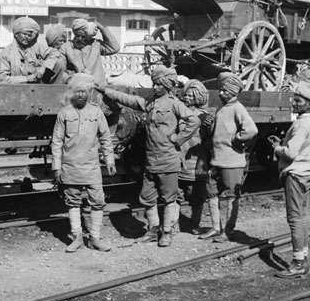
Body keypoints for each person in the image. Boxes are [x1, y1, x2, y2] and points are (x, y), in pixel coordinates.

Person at [96, 65, 199, 247]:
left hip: (168, 160)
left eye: (159, 84)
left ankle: (166, 232)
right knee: (147, 197)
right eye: (154, 84)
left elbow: (194, 120)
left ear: (167, 85)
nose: (155, 87)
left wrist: (178, 138)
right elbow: (128, 99)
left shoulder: (175, 104)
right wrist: (104, 90)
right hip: (151, 160)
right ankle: (153, 230)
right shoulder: (150, 103)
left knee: (169, 198)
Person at [51, 73, 116, 253]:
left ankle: (95, 238)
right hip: (70, 166)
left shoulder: (96, 112)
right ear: (72, 92)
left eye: (84, 91)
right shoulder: (64, 113)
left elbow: (105, 137)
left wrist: (109, 160)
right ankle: (77, 237)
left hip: (92, 166)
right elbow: (56, 141)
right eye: (77, 91)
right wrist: (56, 166)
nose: (80, 95)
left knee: (98, 201)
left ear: (89, 92)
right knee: (72, 202)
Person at [269, 81, 310, 278]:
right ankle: (303, 257)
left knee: (294, 219)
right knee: (303, 217)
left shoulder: (301, 124)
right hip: (307, 173)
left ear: (308, 103)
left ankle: (298, 263)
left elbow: (290, 153)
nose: (294, 103)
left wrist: (277, 148)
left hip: (295, 174)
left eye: (298, 100)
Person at [198, 72, 258, 242]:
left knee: (232, 196)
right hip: (216, 160)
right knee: (211, 193)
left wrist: (236, 140)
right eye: (221, 90)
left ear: (233, 91)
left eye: (224, 90)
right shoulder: (221, 108)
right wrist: (210, 127)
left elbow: (251, 130)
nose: (221, 93)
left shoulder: (238, 108)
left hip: (232, 162)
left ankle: (228, 231)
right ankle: (216, 228)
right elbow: (218, 131)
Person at [174, 79, 213, 235]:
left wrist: (210, 128)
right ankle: (174, 224)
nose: (186, 98)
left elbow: (210, 142)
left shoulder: (205, 117)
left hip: (197, 161)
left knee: (197, 195)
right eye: (186, 95)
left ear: (198, 97)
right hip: (179, 158)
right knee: (175, 194)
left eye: (190, 96)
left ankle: (195, 223)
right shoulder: (179, 112)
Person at [0, 16, 67, 84]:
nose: (27, 37)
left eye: (29, 35)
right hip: (17, 88)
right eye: (25, 34)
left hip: (38, 86)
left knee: (58, 63)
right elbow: (2, 78)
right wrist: (26, 79)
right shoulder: (7, 53)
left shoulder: (36, 47)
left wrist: (44, 67)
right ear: (16, 34)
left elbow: (54, 53)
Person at [62, 18, 119, 88]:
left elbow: (114, 48)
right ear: (74, 33)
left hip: (98, 87)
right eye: (77, 36)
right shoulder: (66, 47)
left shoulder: (95, 44)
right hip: (77, 88)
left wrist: (102, 28)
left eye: (83, 36)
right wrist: (70, 80)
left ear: (88, 35)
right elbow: (61, 70)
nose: (80, 39)